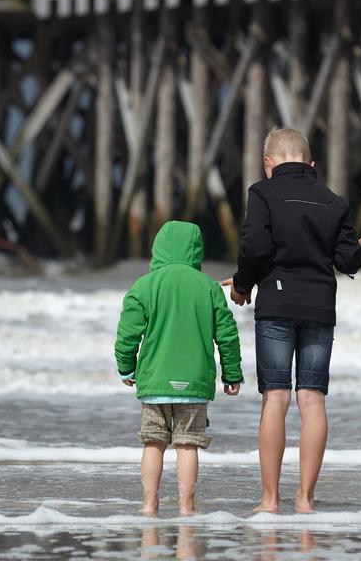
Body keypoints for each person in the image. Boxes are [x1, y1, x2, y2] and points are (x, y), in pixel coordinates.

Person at [222, 128, 361, 515]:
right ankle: (305, 499)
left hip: (276, 301)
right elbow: (346, 261)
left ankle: (270, 500)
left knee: (276, 397)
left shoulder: (262, 193)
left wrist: (241, 285)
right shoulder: (334, 201)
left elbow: (256, 248)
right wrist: (357, 252)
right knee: (312, 398)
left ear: (268, 163)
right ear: (311, 164)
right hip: (319, 306)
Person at [115, 220, 243, 517]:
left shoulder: (144, 286)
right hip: (195, 383)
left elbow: (128, 333)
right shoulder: (209, 287)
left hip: (155, 382)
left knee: (153, 443)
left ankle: (149, 503)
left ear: (157, 248)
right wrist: (232, 373)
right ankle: (187, 506)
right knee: (188, 446)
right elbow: (227, 334)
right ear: (196, 250)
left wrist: (126, 368)